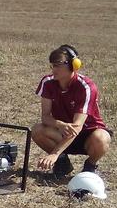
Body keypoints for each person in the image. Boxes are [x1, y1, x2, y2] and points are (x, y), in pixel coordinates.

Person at [30, 44, 111, 178]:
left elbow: (76, 127)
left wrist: (54, 154)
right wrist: (60, 124)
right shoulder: (48, 82)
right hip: (62, 133)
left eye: (58, 65)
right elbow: (45, 117)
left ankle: (90, 166)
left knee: (101, 138)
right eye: (52, 65)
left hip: (88, 136)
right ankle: (63, 163)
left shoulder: (86, 86)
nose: (53, 69)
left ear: (74, 65)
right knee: (37, 130)